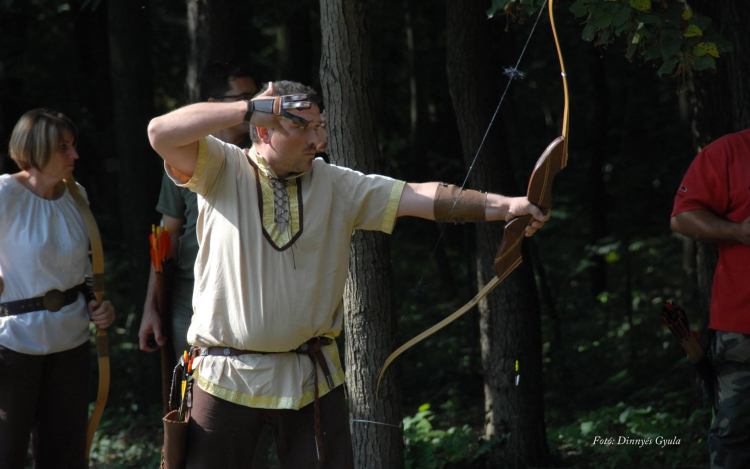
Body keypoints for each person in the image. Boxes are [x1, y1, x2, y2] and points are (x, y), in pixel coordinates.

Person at [146, 80, 549, 469]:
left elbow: (419, 196)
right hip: (226, 378)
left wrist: (504, 206)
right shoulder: (221, 167)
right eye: (302, 126)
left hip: (311, 381)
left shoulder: (336, 183)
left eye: (320, 126)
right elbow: (160, 132)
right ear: (265, 131)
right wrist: (247, 108)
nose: (317, 140)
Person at [0, 109, 116, 469]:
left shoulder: (76, 194)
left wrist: (98, 305)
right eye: (63, 147)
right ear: (35, 149)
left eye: (73, 146)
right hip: (13, 343)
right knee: (6, 452)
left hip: (71, 341)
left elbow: (82, 270)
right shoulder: (5, 193)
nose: (74, 155)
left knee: (65, 456)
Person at [138, 62, 258, 357]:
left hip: (249, 291)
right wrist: (150, 309)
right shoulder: (184, 154)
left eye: (254, 98)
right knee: (189, 393)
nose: (253, 107)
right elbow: (168, 237)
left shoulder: (266, 153)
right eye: (243, 99)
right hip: (188, 295)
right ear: (215, 105)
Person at [670, 129, 750, 469]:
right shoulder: (730, 151)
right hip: (741, 326)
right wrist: (738, 231)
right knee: (734, 437)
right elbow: (682, 217)